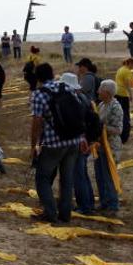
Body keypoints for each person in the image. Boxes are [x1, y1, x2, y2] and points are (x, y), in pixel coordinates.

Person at [30, 63, 85, 223]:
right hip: (73, 140)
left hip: (54, 143)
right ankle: (65, 214)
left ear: (38, 78)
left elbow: (37, 122)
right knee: (67, 179)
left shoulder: (39, 94)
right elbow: (78, 110)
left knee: (42, 177)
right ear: (52, 73)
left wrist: (33, 146)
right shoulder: (65, 87)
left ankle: (50, 213)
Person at [59, 72, 95, 215]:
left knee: (78, 174)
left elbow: (77, 122)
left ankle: (84, 206)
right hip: (85, 139)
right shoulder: (83, 98)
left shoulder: (75, 100)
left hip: (80, 140)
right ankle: (89, 203)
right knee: (83, 173)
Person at [95, 80, 123, 214]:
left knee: (109, 176)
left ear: (107, 92)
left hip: (111, 147)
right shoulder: (101, 105)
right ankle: (104, 202)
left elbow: (118, 129)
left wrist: (102, 128)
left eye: (100, 89)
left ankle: (113, 205)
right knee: (100, 175)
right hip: (100, 146)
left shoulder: (116, 107)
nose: (97, 92)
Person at [114, 58, 133, 144]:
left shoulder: (121, 69)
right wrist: (130, 94)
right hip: (123, 94)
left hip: (116, 93)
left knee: (119, 113)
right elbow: (127, 84)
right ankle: (125, 134)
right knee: (125, 115)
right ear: (130, 63)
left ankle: (120, 132)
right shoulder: (126, 71)